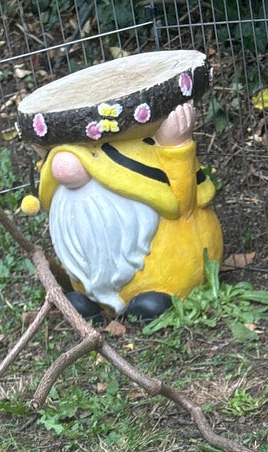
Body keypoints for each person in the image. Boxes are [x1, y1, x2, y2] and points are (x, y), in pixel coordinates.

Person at [32, 101, 222, 320]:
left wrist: (176, 145)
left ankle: (155, 297)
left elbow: (184, 202)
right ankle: (92, 299)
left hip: (165, 275)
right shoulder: (63, 167)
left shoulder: (140, 159)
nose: (67, 171)